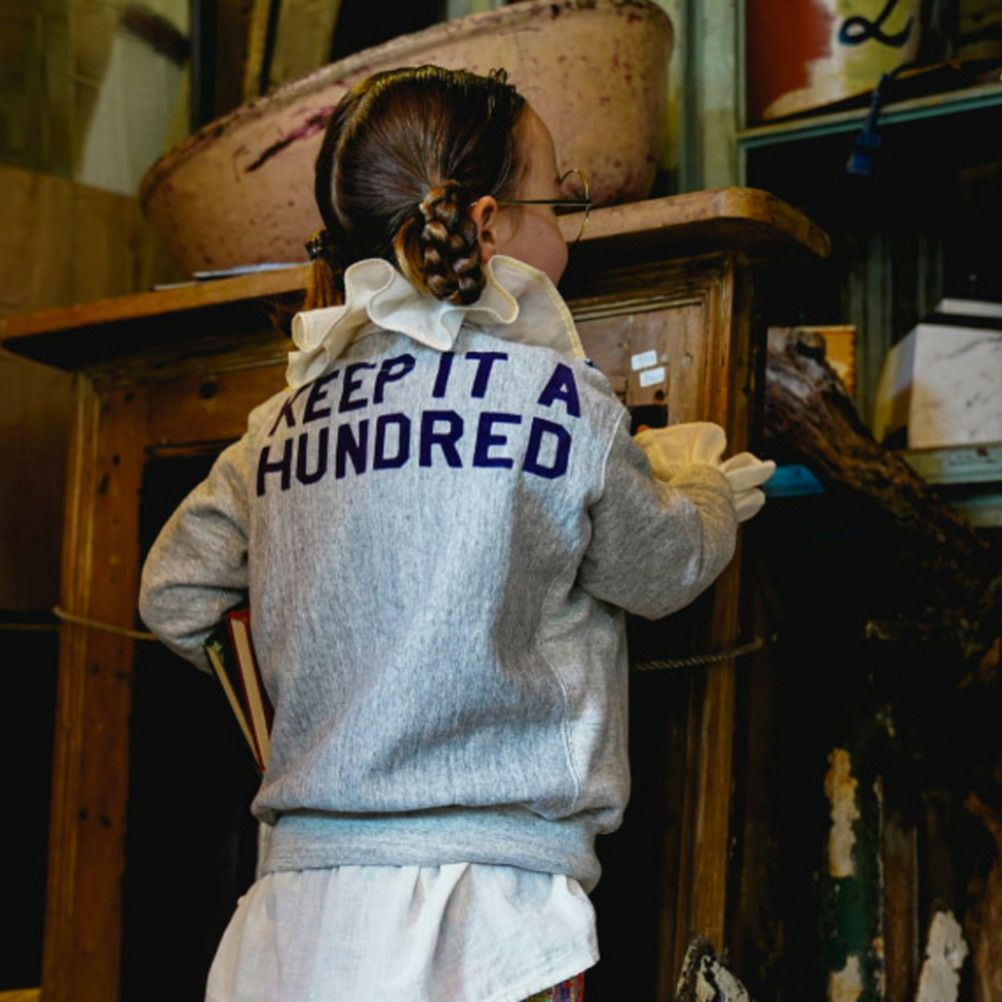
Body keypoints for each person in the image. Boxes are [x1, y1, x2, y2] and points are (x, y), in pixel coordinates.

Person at [138, 65, 774, 1002]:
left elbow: (175, 595)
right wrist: (705, 486)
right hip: (494, 920)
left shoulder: (278, 423)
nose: (568, 223)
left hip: (297, 916)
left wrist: (319, 677)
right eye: (558, 200)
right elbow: (664, 567)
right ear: (486, 225)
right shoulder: (557, 400)